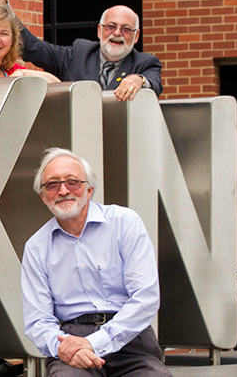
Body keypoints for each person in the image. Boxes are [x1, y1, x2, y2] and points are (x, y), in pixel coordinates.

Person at [21, 148, 171, 377]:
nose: (63, 190)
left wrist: (95, 343)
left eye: (72, 182)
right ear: (43, 196)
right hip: (71, 343)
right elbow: (38, 320)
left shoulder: (125, 224)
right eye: (52, 184)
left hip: (130, 341)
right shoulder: (36, 247)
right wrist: (66, 348)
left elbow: (145, 297)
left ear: (89, 190)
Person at [0, 0, 162, 102]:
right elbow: (32, 47)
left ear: (136, 36)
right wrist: (1, 3)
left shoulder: (145, 63)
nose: (117, 33)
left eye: (126, 29)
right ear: (100, 31)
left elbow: (155, 83)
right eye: (111, 26)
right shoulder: (79, 53)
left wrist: (139, 80)